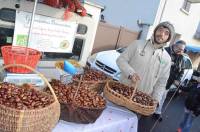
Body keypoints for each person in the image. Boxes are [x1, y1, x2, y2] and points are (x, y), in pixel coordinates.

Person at [116, 21, 174, 110]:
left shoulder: (167, 59)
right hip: (122, 93)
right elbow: (121, 60)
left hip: (141, 102)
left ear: (168, 38)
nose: (162, 34)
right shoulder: (137, 44)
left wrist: (156, 99)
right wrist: (131, 73)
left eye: (166, 33)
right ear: (155, 31)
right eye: (160, 30)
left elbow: (161, 82)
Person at [153, 40, 187, 121]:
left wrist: (177, 79)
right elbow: (155, 62)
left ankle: (157, 112)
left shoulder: (181, 57)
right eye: (179, 48)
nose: (180, 51)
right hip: (157, 79)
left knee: (163, 97)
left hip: (168, 82)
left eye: (182, 50)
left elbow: (182, 71)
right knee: (153, 95)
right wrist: (166, 63)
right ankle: (147, 109)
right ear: (174, 45)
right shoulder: (164, 51)